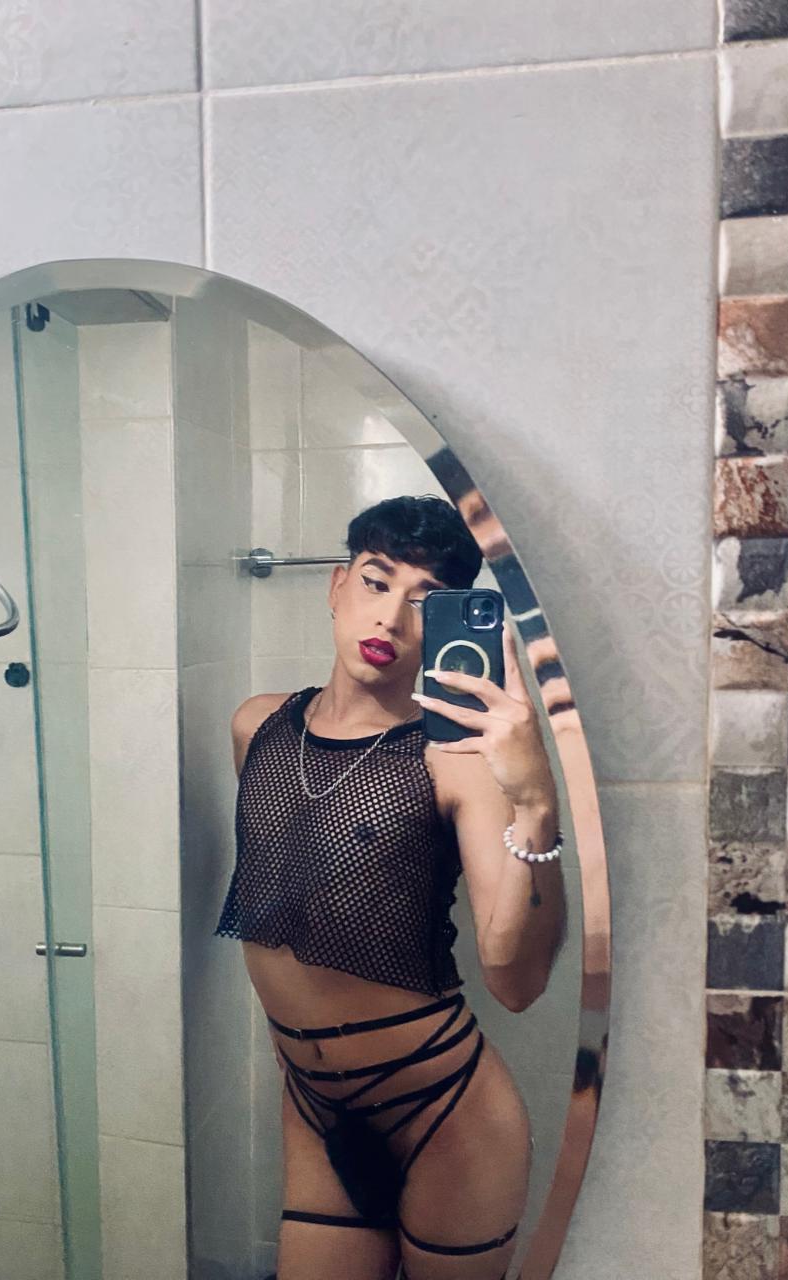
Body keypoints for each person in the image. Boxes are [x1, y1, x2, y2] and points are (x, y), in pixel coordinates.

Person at [214, 494, 567, 1280]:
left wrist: (536, 802)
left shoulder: (458, 764)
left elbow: (515, 982)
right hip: (315, 1107)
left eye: (423, 602)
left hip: (443, 1111)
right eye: (377, 582)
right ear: (336, 585)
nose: (391, 619)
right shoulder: (256, 727)